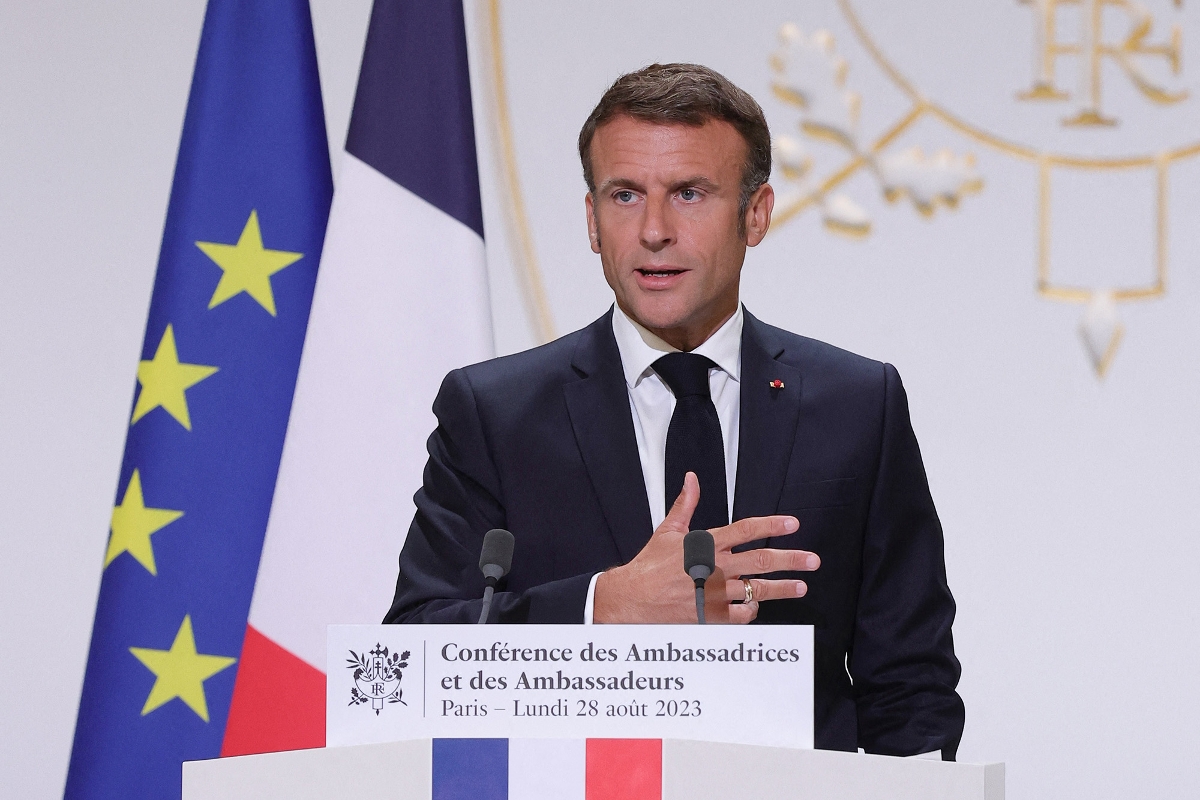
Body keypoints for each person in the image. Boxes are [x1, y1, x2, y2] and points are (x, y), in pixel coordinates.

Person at [385, 63, 965, 759]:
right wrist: (605, 607)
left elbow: (909, 685)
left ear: (756, 214)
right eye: (625, 195)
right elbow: (411, 654)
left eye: (689, 194)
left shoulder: (857, 405)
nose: (654, 230)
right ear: (592, 221)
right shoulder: (495, 413)